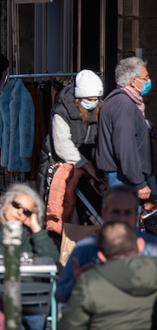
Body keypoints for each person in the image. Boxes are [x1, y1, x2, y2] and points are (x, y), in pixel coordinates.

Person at [56, 185, 157, 303]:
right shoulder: (85, 248)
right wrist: (76, 281)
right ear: (104, 215)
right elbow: (60, 295)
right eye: (115, 212)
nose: (121, 218)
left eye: (127, 213)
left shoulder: (152, 248)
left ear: (136, 216)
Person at [59, 221, 157, 329]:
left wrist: (76, 284)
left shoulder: (88, 284)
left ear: (101, 256)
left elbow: (69, 325)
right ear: (141, 245)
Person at [0, 184, 58, 330]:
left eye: (26, 211)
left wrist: (36, 228)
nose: (20, 212)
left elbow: (53, 261)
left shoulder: (30, 237)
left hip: (31, 299)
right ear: (7, 203)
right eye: (16, 205)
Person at [44, 69, 104, 234]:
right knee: (69, 206)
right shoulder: (62, 112)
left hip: (90, 162)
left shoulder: (99, 108)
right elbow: (62, 144)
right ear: (79, 98)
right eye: (89, 99)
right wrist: (85, 164)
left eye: (95, 99)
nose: (93, 102)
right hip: (68, 162)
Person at [96, 57, 154, 200]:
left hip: (125, 175)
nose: (148, 81)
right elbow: (125, 145)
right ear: (134, 81)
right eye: (145, 78)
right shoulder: (123, 104)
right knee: (125, 220)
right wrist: (138, 182)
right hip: (123, 177)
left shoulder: (125, 102)